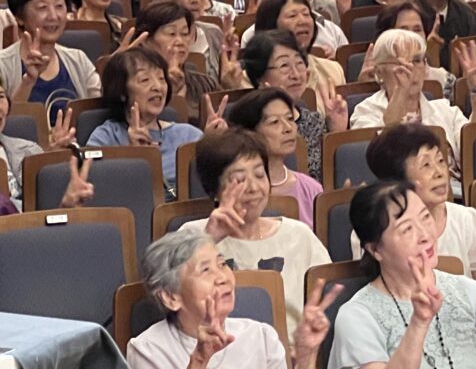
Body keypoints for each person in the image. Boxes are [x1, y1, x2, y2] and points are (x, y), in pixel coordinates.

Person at [328, 180, 476, 369]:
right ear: (375, 250)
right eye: (407, 229)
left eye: (425, 217)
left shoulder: (468, 291)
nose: (425, 235)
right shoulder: (358, 316)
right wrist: (419, 322)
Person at [179, 129, 331, 336]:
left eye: (260, 175)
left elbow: (324, 307)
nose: (253, 187)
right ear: (214, 190)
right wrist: (209, 239)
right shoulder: (193, 235)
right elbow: (170, 296)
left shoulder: (299, 235)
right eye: (238, 179)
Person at [127, 230, 338, 369]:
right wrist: (199, 359)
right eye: (205, 270)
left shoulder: (261, 336)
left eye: (222, 264)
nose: (222, 278)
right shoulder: (148, 349)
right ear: (171, 296)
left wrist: (306, 355)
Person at [357, 123, 476, 274]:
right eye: (426, 165)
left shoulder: (466, 219)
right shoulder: (376, 230)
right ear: (396, 180)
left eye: (440, 160)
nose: (440, 172)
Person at [351, 29, 474, 171]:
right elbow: (376, 163)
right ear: (379, 73)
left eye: (416, 61)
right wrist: (401, 91)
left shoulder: (446, 110)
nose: (410, 69)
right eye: (400, 64)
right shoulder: (365, 112)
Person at [88, 46, 206, 189]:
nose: (157, 87)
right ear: (122, 91)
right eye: (145, 80)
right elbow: (93, 188)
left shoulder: (189, 135)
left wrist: (214, 142)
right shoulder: (105, 137)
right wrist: (134, 156)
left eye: (162, 79)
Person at [240, 29, 347, 183]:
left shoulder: (314, 121)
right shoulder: (249, 126)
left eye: (299, 63)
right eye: (284, 66)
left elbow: (330, 181)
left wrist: (337, 131)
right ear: (259, 76)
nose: (296, 75)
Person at [0, 0, 100, 120]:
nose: (53, 16)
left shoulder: (78, 60)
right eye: (43, 7)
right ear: (19, 17)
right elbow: (5, 125)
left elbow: (96, 116)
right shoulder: (2, 66)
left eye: (59, 5)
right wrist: (28, 81)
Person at [225, 88, 323, 229]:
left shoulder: (311, 188)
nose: (288, 128)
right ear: (250, 133)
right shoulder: (237, 192)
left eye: (290, 119)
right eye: (275, 122)